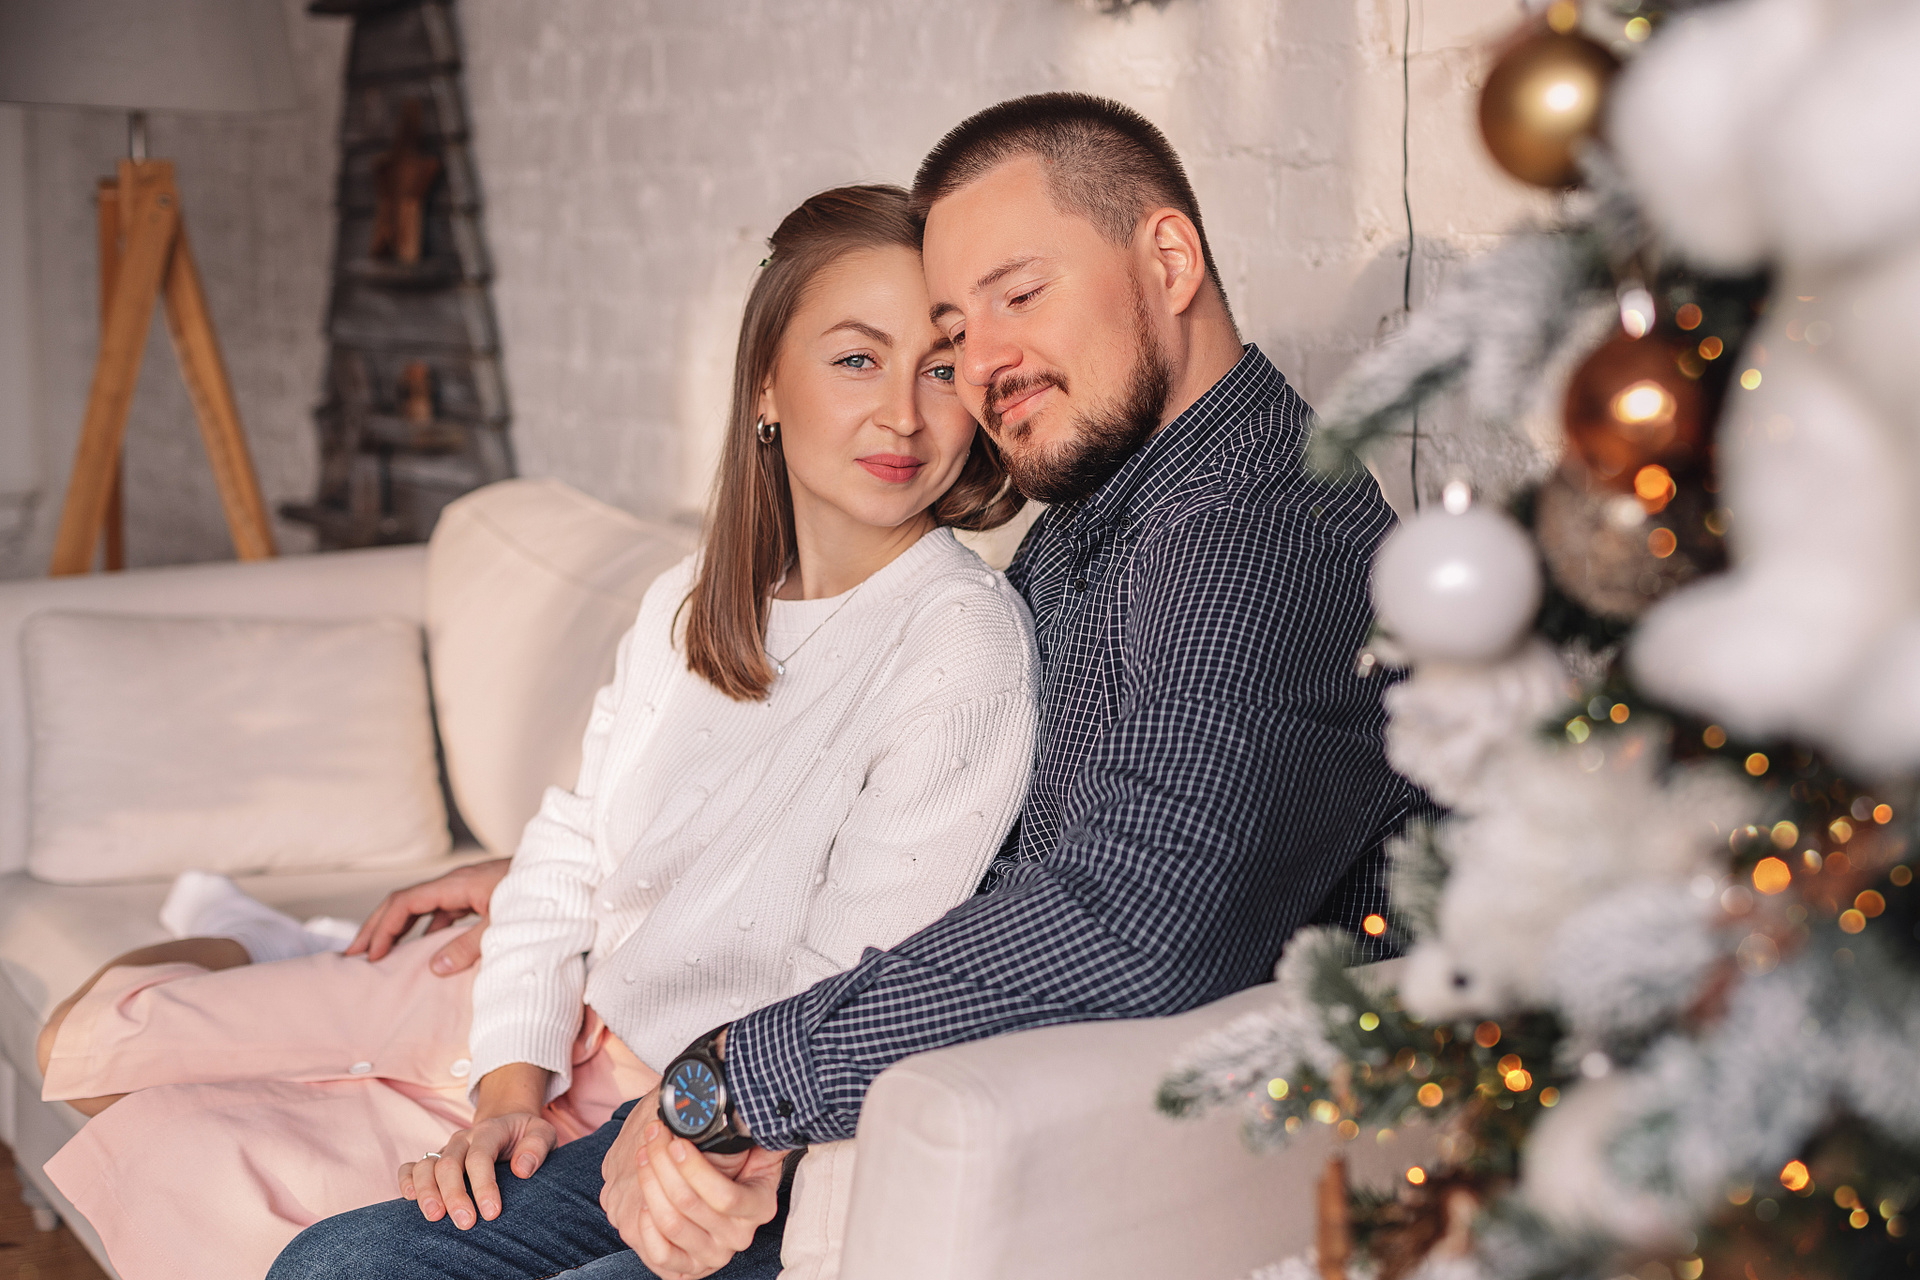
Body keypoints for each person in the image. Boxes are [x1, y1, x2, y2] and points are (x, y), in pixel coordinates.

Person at [279, 91, 1425, 1280]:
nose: (984, 367)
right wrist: (611, 879)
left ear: (1169, 259)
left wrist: (733, 1081)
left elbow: (1143, 922)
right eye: (957, 330)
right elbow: (960, 816)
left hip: (1075, 1155)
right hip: (898, 1090)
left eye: (1019, 296)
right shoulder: (1108, 514)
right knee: (345, 1263)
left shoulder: (1254, 535)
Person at [34, 184, 1038, 1280]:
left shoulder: (958, 640)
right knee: (87, 1044)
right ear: (766, 381)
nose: (903, 415)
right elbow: (572, 847)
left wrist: (585, 1114)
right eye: (856, 359)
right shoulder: (688, 600)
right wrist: (509, 1087)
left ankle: (319, 1001)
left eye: (941, 368)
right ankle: (267, 941)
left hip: (665, 1098)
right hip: (545, 1007)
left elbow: (840, 989)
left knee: (206, 1170)